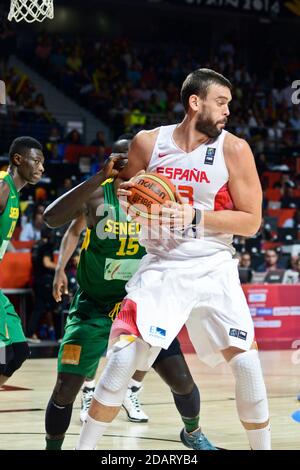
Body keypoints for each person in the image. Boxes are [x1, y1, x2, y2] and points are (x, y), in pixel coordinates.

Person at [76, 68, 271, 451]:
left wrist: (194, 216)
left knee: (247, 367)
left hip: (214, 265)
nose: (227, 110)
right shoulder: (149, 143)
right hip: (162, 265)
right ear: (195, 102)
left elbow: (252, 221)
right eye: (221, 102)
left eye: (229, 104)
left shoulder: (234, 149)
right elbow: (126, 192)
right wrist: (129, 195)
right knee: (120, 360)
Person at [43, 138, 210, 450]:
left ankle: (193, 434)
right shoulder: (96, 194)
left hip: (141, 306)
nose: (122, 163)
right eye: (116, 157)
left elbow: (189, 235)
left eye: (129, 157)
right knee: (65, 389)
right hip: (93, 306)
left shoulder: (158, 195)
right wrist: (98, 177)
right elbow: (52, 219)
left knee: (183, 382)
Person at [0, 136, 44, 385]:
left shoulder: (15, 195)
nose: (41, 168)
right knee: (2, 355)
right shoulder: (3, 188)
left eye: (42, 163)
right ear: (17, 159)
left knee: (18, 353)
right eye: (36, 161)